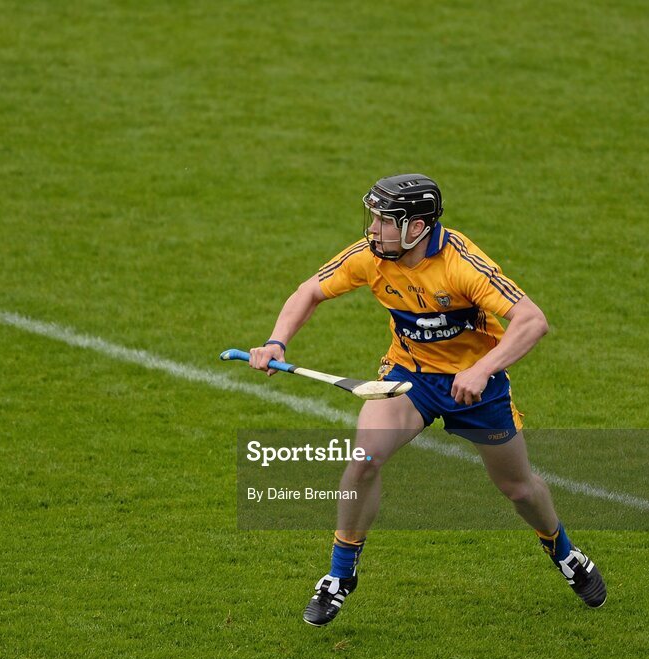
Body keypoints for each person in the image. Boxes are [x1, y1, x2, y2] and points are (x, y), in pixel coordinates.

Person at [248, 173, 606, 626]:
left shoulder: (462, 265)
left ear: (416, 227)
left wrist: (480, 370)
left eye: (385, 221)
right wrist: (276, 342)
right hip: (408, 379)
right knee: (363, 459)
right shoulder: (371, 257)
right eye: (374, 218)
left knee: (517, 488)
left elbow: (532, 321)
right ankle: (340, 576)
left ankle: (562, 549)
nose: (373, 230)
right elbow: (309, 292)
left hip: (477, 389)